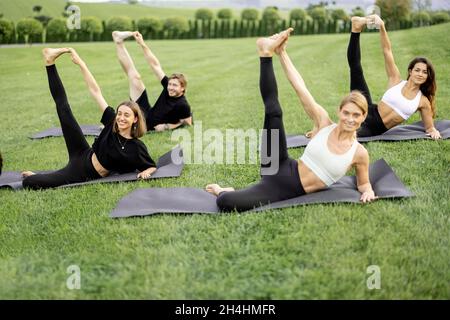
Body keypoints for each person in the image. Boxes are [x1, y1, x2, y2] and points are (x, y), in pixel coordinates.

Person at [206, 29, 377, 212]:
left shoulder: (359, 153)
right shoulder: (324, 124)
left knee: (225, 202)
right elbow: (300, 88)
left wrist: (368, 192)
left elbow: (363, 183)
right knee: (274, 111)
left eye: (356, 115)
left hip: (282, 189)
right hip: (278, 163)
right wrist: (282, 53)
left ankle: (224, 190)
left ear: (363, 116)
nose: (350, 119)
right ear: (339, 111)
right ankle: (266, 53)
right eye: (347, 113)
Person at [22, 48, 157, 189]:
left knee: (29, 183)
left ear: (135, 119)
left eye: (126, 115)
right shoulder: (112, 122)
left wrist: (147, 172)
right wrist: (81, 64)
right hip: (83, 152)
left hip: (82, 171)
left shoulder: (136, 147)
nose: (121, 118)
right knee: (63, 109)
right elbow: (95, 91)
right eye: (119, 113)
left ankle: (38, 177)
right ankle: (49, 61)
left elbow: (151, 166)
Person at [338, 14, 441, 139]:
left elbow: (429, 127)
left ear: (428, 76)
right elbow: (387, 50)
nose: (420, 74)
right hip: (367, 108)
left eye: (424, 72)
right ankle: (356, 29)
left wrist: (433, 131)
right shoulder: (395, 80)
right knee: (356, 69)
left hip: (373, 128)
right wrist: (382, 26)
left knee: (348, 134)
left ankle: (326, 130)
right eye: (417, 70)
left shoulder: (422, 101)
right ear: (410, 71)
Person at [112, 31, 192, 132]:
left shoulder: (183, 105)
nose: (170, 87)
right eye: (170, 84)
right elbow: (155, 65)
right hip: (147, 112)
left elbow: (188, 123)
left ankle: (115, 123)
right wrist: (142, 43)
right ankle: (119, 42)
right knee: (135, 77)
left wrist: (166, 126)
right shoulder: (168, 87)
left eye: (175, 85)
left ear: (182, 88)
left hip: (145, 125)